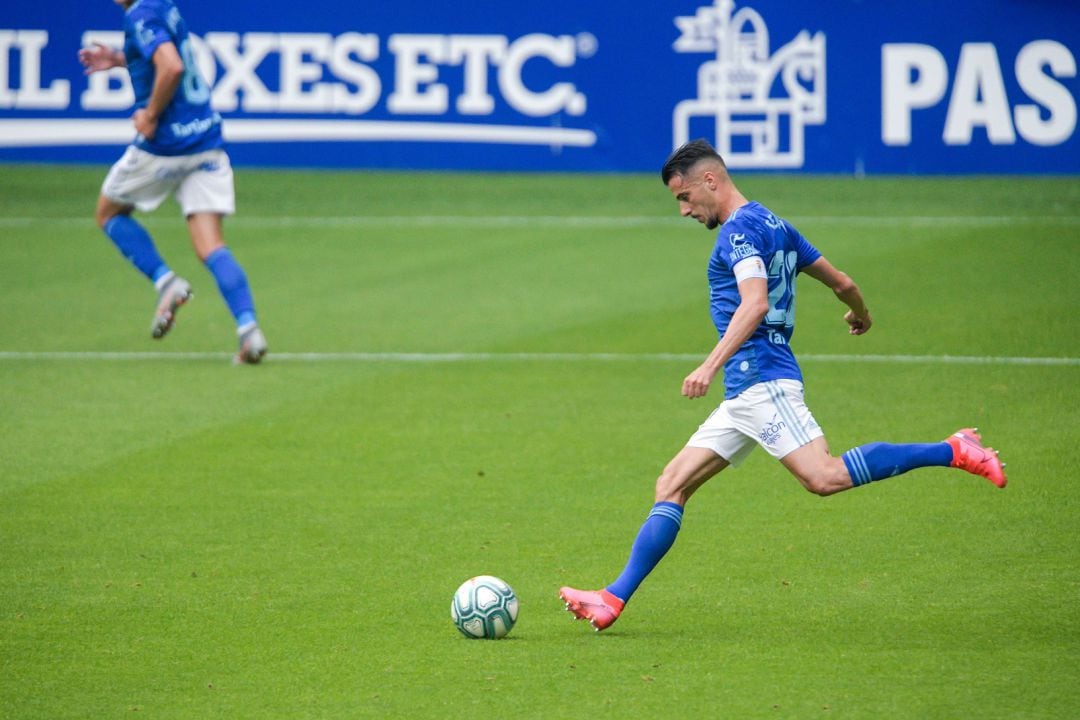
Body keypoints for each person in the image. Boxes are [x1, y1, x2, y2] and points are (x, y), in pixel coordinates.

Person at [559, 139, 1006, 632]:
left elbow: (754, 304)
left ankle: (953, 449)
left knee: (824, 477)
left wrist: (707, 365)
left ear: (711, 180)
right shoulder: (777, 224)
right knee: (672, 484)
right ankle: (612, 598)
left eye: (684, 197)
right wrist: (860, 314)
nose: (684, 210)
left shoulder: (738, 235)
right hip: (744, 392)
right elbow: (841, 282)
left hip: (764, 381)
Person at [79, 0, 267, 364]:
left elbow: (172, 65)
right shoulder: (163, 5)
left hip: (167, 146)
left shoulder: (140, 14)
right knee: (211, 247)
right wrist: (122, 59)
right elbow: (165, 54)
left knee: (108, 213)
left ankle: (167, 282)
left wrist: (149, 116)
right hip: (206, 141)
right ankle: (250, 332)